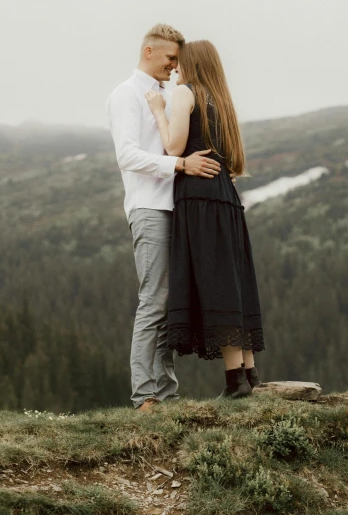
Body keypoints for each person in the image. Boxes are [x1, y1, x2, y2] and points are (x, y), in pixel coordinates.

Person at [106, 24, 222, 411]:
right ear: (149, 51)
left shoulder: (170, 95)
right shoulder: (126, 95)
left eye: (179, 61)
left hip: (179, 209)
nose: (175, 67)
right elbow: (127, 156)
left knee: (170, 303)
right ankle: (144, 397)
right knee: (153, 300)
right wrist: (180, 164)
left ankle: (166, 392)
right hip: (149, 208)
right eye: (171, 58)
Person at [145, 39, 264, 398]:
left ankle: (234, 383)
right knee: (234, 277)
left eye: (180, 63)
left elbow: (174, 147)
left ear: (192, 64)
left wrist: (157, 110)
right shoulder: (221, 100)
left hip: (199, 196)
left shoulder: (186, 93)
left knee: (216, 280)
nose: (176, 70)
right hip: (227, 196)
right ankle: (248, 373)